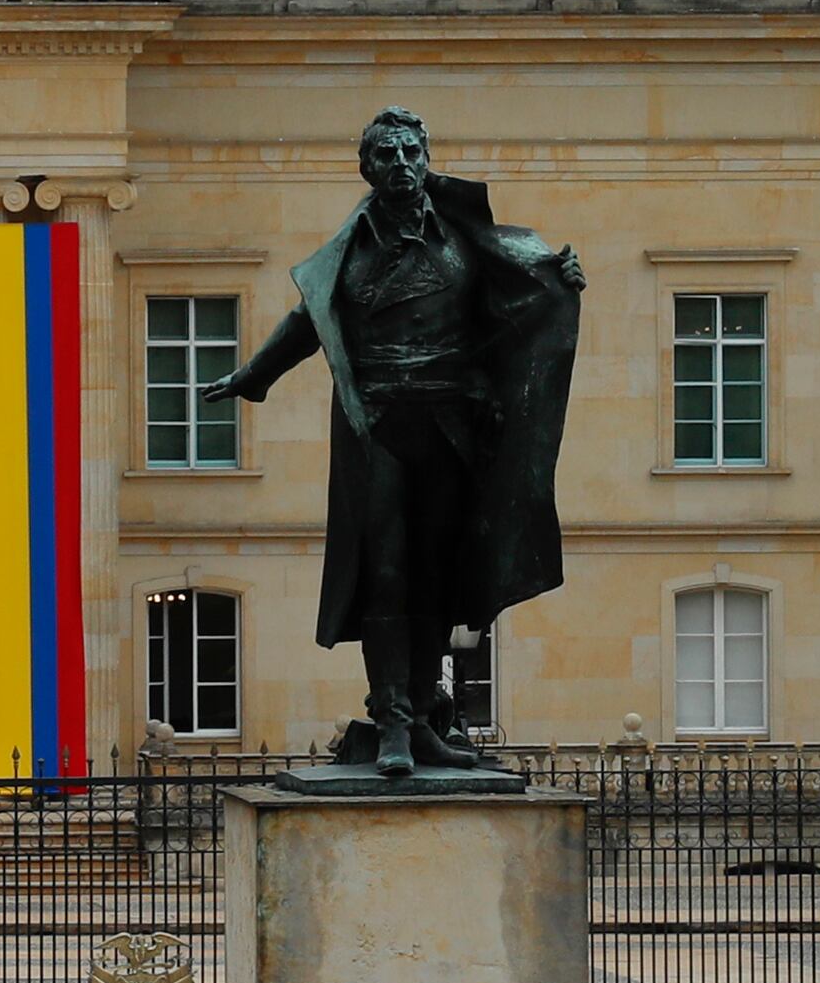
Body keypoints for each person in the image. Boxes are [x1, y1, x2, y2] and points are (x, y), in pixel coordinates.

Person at [201, 108, 583, 780]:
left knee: (435, 572)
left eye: (411, 152)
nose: (402, 163)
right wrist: (252, 375)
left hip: (449, 423)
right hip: (375, 424)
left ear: (426, 159)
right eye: (387, 154)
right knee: (385, 571)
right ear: (368, 168)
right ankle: (394, 722)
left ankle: (427, 717)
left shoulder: (464, 239)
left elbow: (518, 298)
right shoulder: (351, 252)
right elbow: (308, 321)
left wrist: (557, 279)